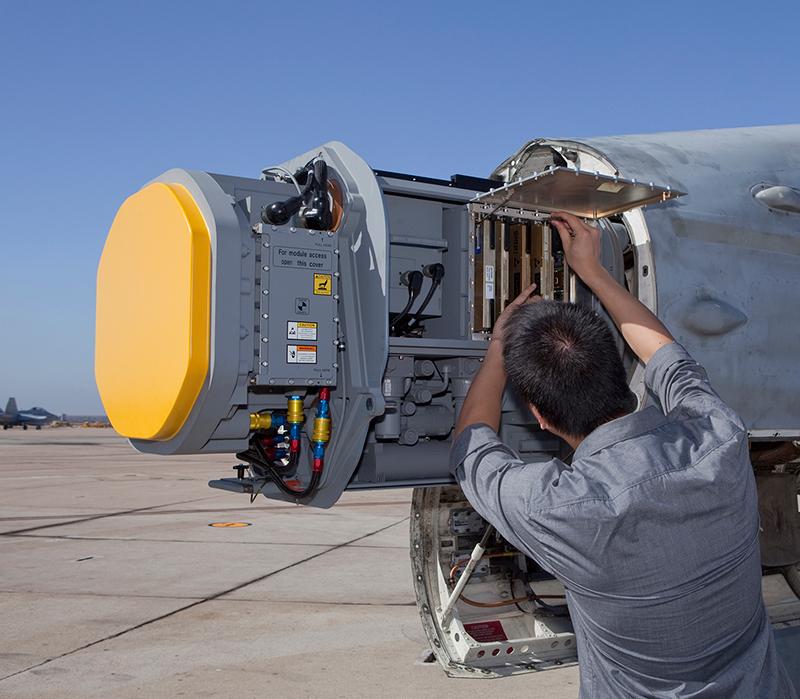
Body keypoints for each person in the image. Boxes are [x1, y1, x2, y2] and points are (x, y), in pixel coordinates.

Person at [451, 212, 796, 698]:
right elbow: (667, 357)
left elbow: (470, 444)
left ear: (540, 417)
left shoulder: (556, 509)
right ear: (622, 376)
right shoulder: (720, 438)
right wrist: (593, 269)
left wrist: (496, 350)